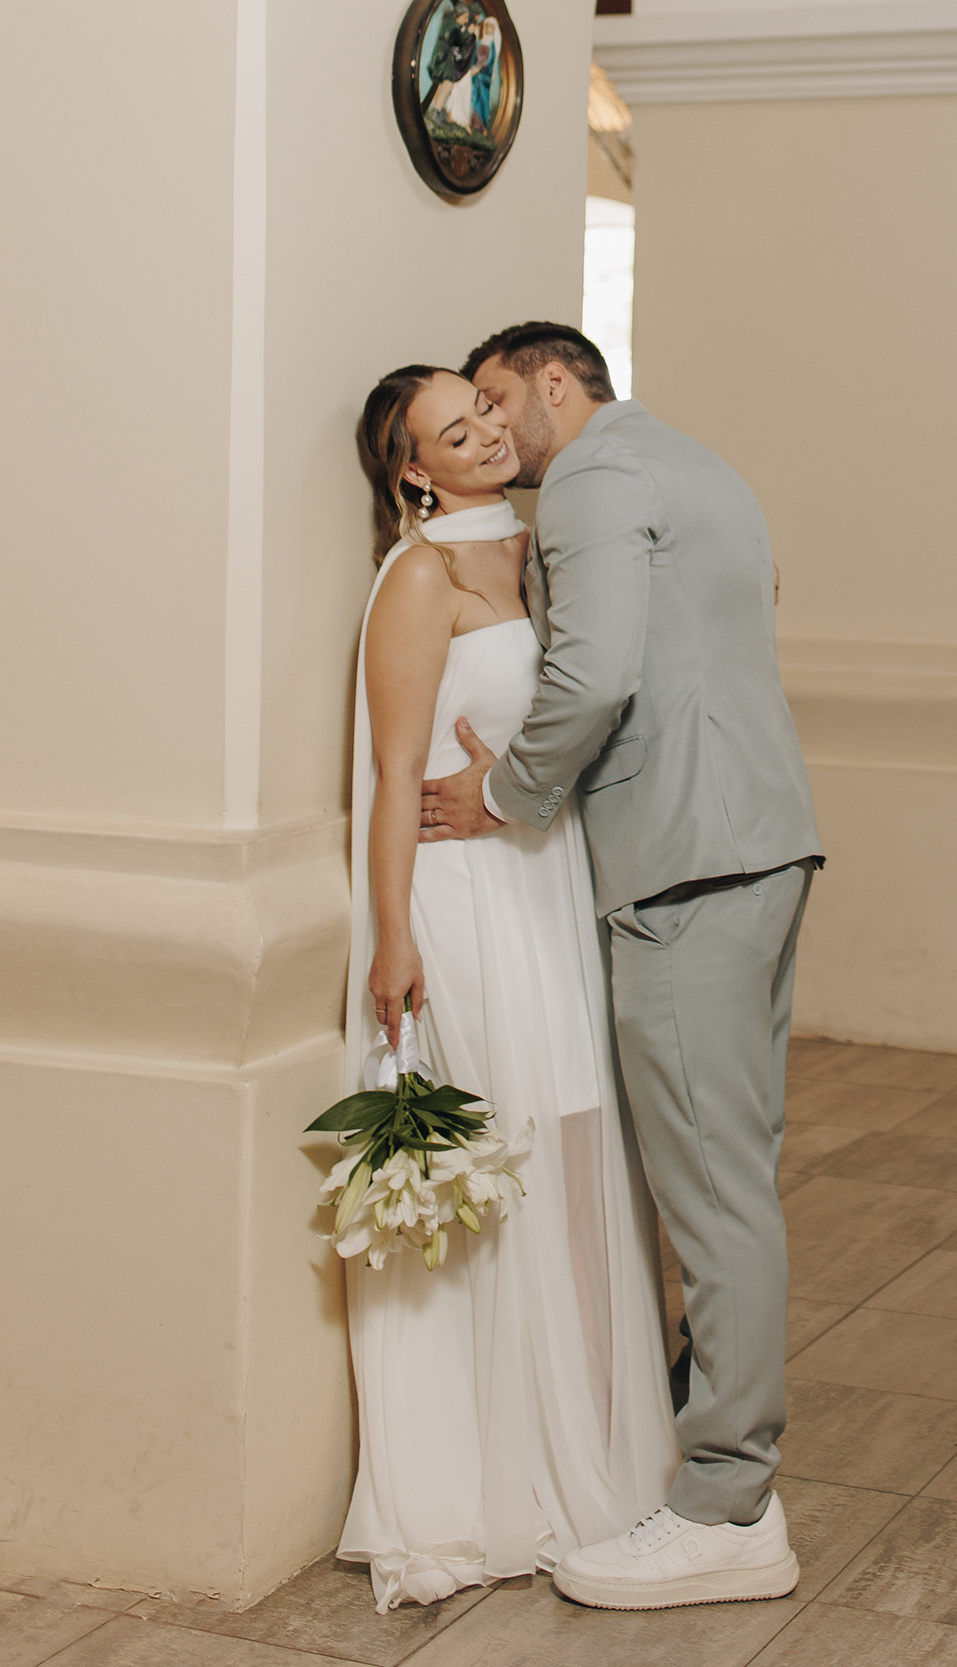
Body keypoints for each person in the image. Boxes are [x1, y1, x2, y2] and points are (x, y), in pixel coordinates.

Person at [420, 322, 822, 1615]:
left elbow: (594, 677)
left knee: (712, 1193)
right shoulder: (701, 465)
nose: (494, 428)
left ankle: (726, 1508)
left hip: (686, 863)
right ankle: (709, 1459)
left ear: (556, 381)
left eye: (499, 399)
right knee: (733, 1176)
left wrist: (505, 796)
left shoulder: (593, 478)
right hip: (761, 845)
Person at [338, 365, 677, 1613]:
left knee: (581, 1145)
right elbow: (393, 773)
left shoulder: (540, 548)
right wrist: (391, 940)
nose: (484, 428)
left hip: (544, 878)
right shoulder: (418, 579)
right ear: (413, 471)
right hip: (463, 904)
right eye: (452, 427)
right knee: (512, 1154)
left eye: (482, 409)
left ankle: (596, 1445)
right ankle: (498, 1472)